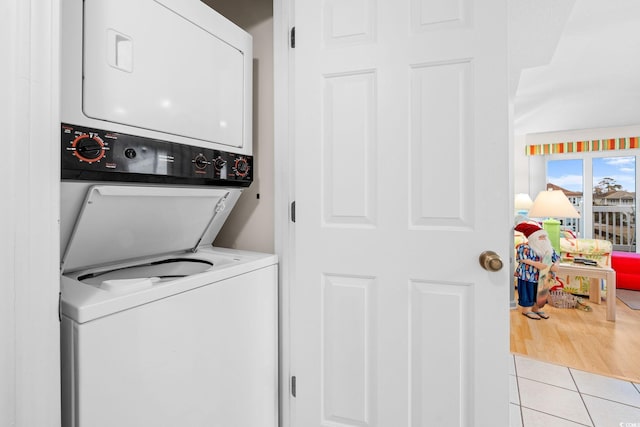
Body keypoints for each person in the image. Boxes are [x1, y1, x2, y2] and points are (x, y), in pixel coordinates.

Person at [514, 221, 560, 320]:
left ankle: (536, 308)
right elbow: (521, 258)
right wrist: (536, 264)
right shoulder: (524, 247)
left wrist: (555, 265)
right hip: (527, 275)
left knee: (540, 293)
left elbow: (556, 258)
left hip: (542, 276)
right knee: (528, 291)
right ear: (533, 238)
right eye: (541, 237)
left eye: (544, 237)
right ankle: (526, 309)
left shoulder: (549, 249)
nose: (544, 239)